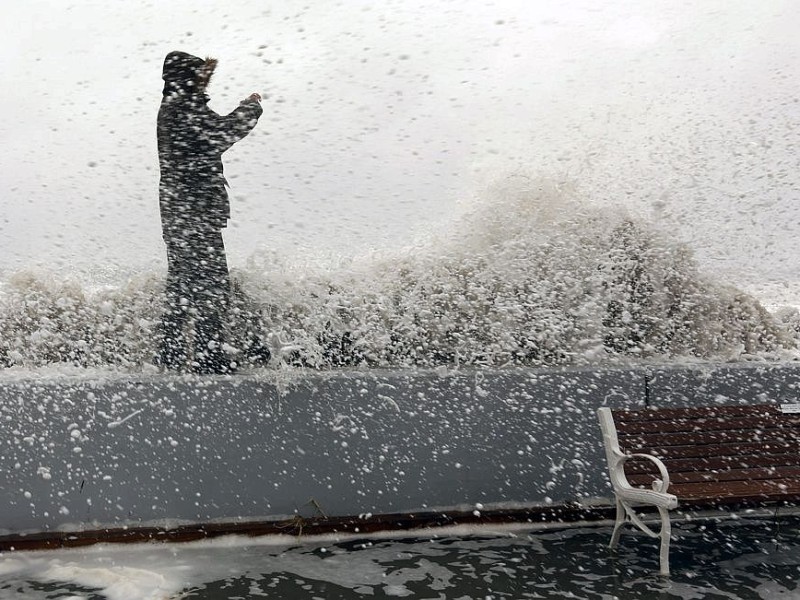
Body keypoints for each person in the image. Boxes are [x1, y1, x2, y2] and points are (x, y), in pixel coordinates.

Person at [156, 51, 263, 374]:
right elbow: (222, 134)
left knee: (183, 286)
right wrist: (251, 106)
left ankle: (171, 357)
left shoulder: (172, 107)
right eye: (201, 76)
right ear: (188, 77)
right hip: (193, 215)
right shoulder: (183, 107)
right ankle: (209, 357)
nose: (206, 81)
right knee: (212, 285)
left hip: (179, 214)